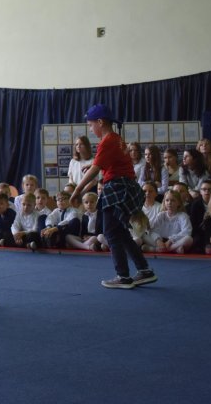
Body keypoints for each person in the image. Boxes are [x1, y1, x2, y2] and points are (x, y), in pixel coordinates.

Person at [69, 104, 156, 289]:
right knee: (120, 231)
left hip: (117, 188)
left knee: (110, 232)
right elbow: (109, 163)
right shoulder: (116, 139)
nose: (90, 129)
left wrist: (77, 190)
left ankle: (123, 276)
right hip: (125, 187)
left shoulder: (107, 141)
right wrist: (93, 165)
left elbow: (96, 170)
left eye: (91, 125)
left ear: (100, 122)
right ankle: (144, 270)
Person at [149, 189, 193, 253]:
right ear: (164, 202)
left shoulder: (183, 216)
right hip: (161, 241)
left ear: (179, 203)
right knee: (146, 235)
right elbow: (153, 230)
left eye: (173, 200)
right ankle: (174, 249)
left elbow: (187, 231)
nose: (169, 203)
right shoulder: (161, 215)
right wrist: (158, 241)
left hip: (175, 241)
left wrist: (171, 240)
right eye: (167, 200)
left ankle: (167, 249)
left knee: (189, 239)